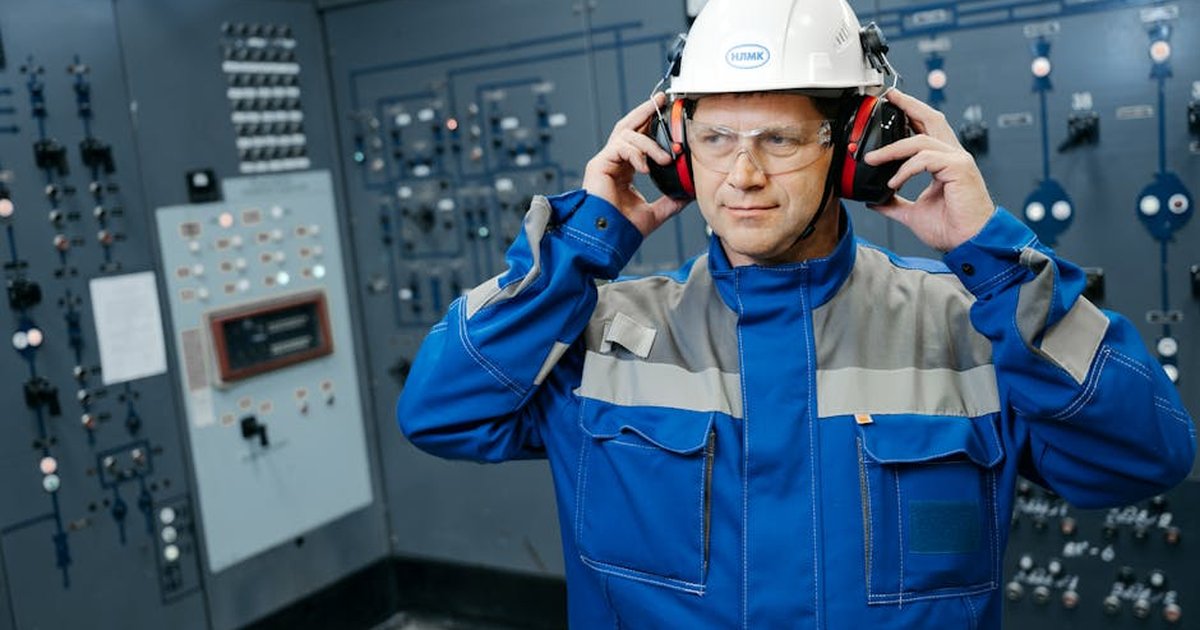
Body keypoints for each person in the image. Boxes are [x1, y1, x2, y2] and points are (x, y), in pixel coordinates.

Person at [396, 0, 1197, 627]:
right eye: (713, 138)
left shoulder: (969, 324)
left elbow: (1146, 453)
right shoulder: (600, 334)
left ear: (852, 147)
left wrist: (994, 257)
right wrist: (581, 244)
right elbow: (438, 409)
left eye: (780, 140)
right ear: (674, 151)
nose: (741, 174)